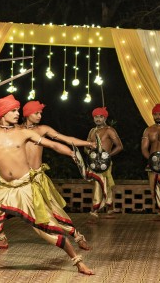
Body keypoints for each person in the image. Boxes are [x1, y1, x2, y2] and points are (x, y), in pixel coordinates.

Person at [0, 61, 94, 275]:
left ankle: (78, 262)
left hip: (25, 189)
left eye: (17, 110)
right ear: (3, 114)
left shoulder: (24, 133)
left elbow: (52, 144)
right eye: (13, 111)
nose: (17, 113)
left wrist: (72, 153)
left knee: (48, 228)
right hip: (4, 189)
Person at [19, 99, 95, 250]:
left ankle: (77, 236)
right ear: (27, 114)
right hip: (20, 179)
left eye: (41, 113)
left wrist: (88, 144)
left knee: (53, 210)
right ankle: (1, 237)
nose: (40, 116)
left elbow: (66, 139)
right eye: (36, 113)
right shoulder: (16, 130)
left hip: (37, 179)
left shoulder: (42, 129)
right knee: (3, 206)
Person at [85, 106, 123, 220]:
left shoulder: (109, 130)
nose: (98, 119)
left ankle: (95, 210)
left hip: (104, 163)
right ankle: (110, 208)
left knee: (99, 183)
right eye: (96, 117)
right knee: (104, 184)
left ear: (105, 118)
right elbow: (86, 146)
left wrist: (107, 156)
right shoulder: (92, 131)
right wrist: (89, 152)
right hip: (93, 162)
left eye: (100, 117)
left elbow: (119, 146)